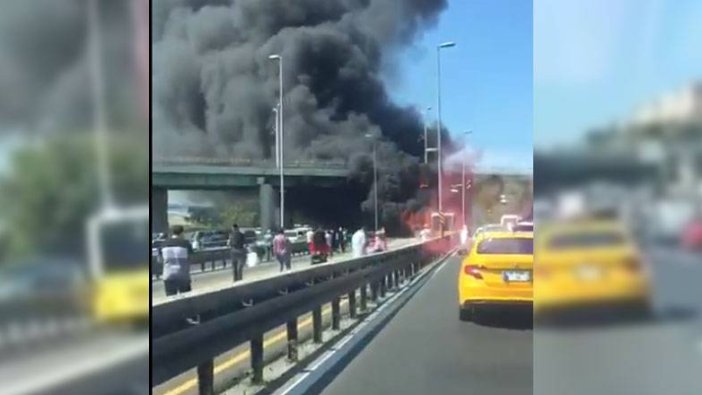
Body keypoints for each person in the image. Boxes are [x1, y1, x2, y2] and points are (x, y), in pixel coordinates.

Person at [160, 225, 193, 297]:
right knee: (186, 299)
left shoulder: (163, 244)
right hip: (183, 275)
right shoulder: (186, 243)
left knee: (170, 298)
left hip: (168, 275)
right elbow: (191, 258)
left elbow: (160, 259)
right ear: (182, 233)